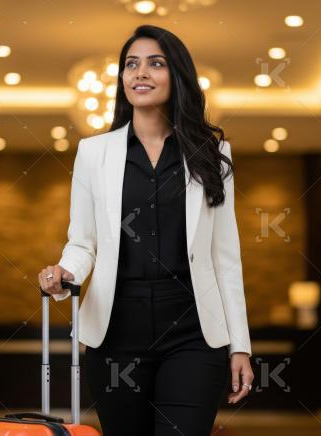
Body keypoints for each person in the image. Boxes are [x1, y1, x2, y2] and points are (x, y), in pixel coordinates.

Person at [38, 24, 253, 435]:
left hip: (193, 332)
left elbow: (225, 257)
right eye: (131, 64)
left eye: (156, 64)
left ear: (178, 77)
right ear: (121, 79)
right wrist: (66, 273)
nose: (141, 73)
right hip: (116, 331)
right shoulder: (93, 152)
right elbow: (83, 242)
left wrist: (239, 343)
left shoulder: (211, 154)